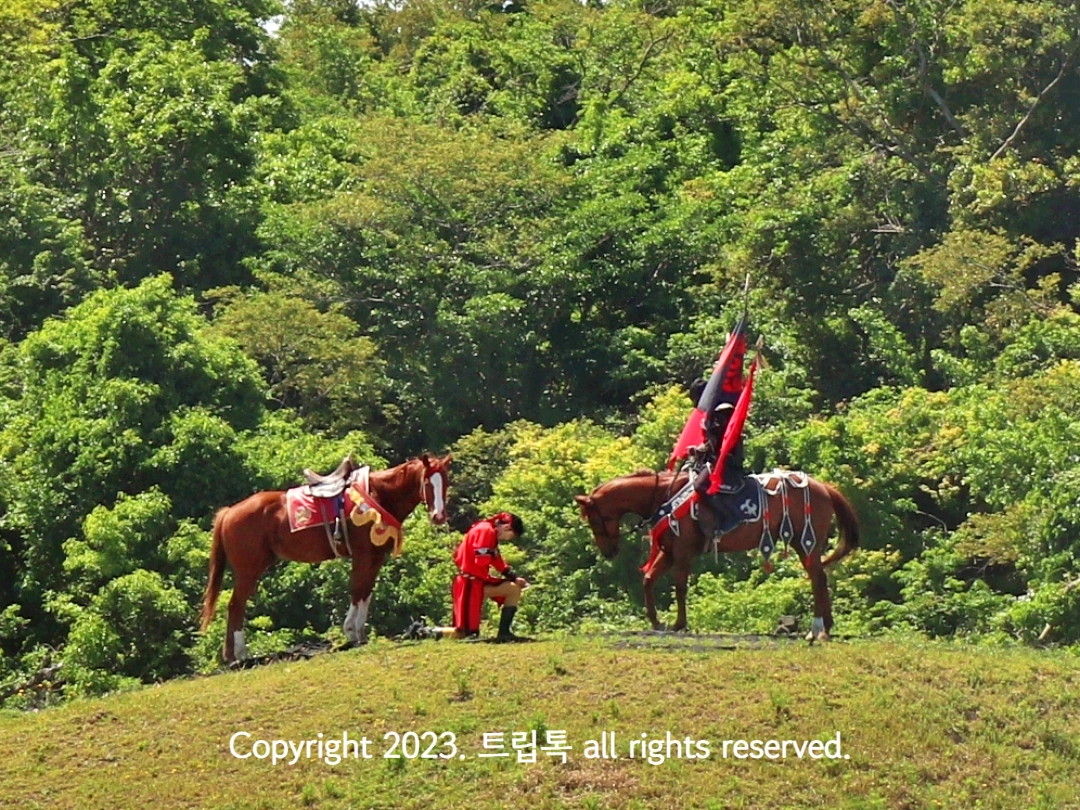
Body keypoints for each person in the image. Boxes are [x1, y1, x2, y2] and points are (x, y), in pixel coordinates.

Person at [410, 512, 530, 642]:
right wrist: (490, 554)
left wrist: (514, 578)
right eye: (509, 536)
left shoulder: (489, 531)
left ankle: (504, 632)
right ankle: (423, 632)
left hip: (480, 581)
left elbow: (497, 561)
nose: (506, 539)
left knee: (513, 589)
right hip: (468, 583)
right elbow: (482, 560)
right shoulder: (486, 530)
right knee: (465, 633)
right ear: (507, 528)